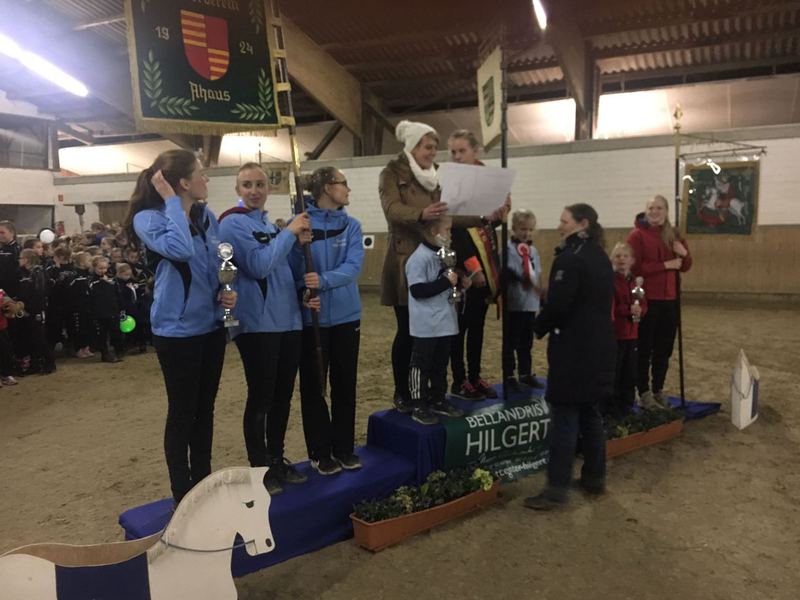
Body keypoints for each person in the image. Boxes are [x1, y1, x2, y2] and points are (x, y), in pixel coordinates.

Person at [124, 148, 236, 504]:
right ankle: (182, 495)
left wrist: (225, 290)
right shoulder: (148, 218)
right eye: (201, 173)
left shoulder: (206, 216)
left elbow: (218, 260)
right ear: (184, 183)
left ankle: (203, 483)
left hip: (210, 327)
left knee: (205, 410)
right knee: (182, 412)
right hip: (177, 332)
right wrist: (173, 202)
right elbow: (181, 249)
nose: (207, 179)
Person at [379, 120, 492, 413]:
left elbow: (448, 214)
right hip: (406, 258)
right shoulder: (392, 173)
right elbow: (392, 209)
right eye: (428, 147)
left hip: (439, 257)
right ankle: (404, 392)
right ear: (413, 146)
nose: (432, 152)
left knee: (439, 335)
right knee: (408, 331)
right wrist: (421, 213)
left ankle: (434, 393)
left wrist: (482, 218)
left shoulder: (438, 175)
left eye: (434, 147)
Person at [218, 162, 311, 495]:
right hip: (258, 325)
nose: (254, 191)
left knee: (282, 397)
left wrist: (298, 245)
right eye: (247, 185)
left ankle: (276, 459)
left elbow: (284, 269)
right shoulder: (232, 223)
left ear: (268, 188)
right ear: (238, 189)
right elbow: (258, 266)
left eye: (259, 184)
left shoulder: (270, 226)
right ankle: (259, 468)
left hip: (289, 320)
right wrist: (288, 234)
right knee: (262, 397)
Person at [525, 203, 615, 510]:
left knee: (564, 416)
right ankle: (594, 477)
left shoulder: (570, 258)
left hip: (574, 349)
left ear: (582, 223)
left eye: (565, 221)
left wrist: (537, 326)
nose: (560, 226)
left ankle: (556, 489)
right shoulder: (599, 255)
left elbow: (560, 307)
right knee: (590, 413)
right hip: (599, 346)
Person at [295, 167, 364, 475]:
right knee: (314, 388)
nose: (348, 189)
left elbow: (353, 267)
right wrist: (303, 290)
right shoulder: (301, 224)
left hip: (347, 317)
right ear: (325, 188)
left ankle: (344, 448)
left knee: (345, 384)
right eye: (342, 183)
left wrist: (321, 280)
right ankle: (320, 452)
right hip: (314, 320)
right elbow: (293, 268)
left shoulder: (352, 226)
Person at [447, 129, 505, 400]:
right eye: (453, 152)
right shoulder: (452, 186)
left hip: (485, 262)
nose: (457, 156)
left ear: (475, 151)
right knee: (460, 328)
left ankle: (474, 375)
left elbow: (487, 226)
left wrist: (499, 216)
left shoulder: (485, 182)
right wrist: (473, 268)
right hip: (463, 269)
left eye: (462, 151)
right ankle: (459, 380)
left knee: (478, 327)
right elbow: (457, 233)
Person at [626, 195, 692, 409]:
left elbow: (685, 265)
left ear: (666, 211)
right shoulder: (637, 235)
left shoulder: (673, 234)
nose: (655, 212)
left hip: (670, 300)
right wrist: (665, 265)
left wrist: (685, 254)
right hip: (647, 300)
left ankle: (658, 389)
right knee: (644, 348)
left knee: (664, 349)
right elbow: (634, 267)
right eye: (651, 208)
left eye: (659, 208)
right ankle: (643, 391)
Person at [405, 215, 466, 425]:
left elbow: (446, 281)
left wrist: (458, 284)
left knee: (441, 363)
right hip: (426, 323)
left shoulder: (444, 255)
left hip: (445, 320)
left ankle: (438, 398)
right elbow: (417, 291)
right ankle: (418, 403)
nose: (451, 234)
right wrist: (445, 282)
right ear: (434, 232)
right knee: (421, 364)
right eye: (447, 230)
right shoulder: (418, 258)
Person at [503, 209, 544, 393]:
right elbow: (508, 273)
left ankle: (525, 373)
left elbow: (538, 274)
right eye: (522, 229)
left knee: (527, 341)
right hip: (515, 303)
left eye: (530, 229)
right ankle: (509, 375)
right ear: (513, 228)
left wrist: (540, 295)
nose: (526, 233)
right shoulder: (508, 250)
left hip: (530, 303)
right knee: (511, 341)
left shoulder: (533, 251)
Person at [608, 242, 647, 418]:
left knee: (630, 373)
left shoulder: (636, 282)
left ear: (632, 260)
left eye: (625, 256)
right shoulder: (610, 281)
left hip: (632, 335)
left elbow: (643, 304)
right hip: (616, 334)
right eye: (618, 256)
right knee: (615, 373)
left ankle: (627, 406)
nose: (622, 259)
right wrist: (628, 310)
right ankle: (612, 409)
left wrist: (639, 311)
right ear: (612, 260)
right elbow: (611, 307)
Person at [16, 249, 56, 375]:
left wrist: (34, 309)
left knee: (39, 338)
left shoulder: (37, 272)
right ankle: (35, 364)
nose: (19, 260)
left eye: (21, 258)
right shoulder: (24, 273)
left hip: (36, 310)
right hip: (27, 309)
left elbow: (39, 292)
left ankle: (50, 363)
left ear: (27, 259)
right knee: (31, 338)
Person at [88, 255, 124, 363]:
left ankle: (119, 350)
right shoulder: (91, 280)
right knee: (102, 334)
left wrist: (120, 306)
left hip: (113, 309)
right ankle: (105, 354)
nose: (103, 270)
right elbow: (92, 293)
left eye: (105, 268)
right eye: (100, 268)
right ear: (94, 268)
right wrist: (103, 282)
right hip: (100, 312)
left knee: (116, 332)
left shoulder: (111, 278)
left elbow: (117, 292)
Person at [67, 251, 94, 359]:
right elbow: (71, 292)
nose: (91, 262)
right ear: (82, 263)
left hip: (87, 306)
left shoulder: (88, 275)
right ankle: (78, 349)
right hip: (78, 307)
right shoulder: (75, 276)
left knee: (87, 327)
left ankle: (86, 347)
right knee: (79, 329)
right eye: (89, 260)